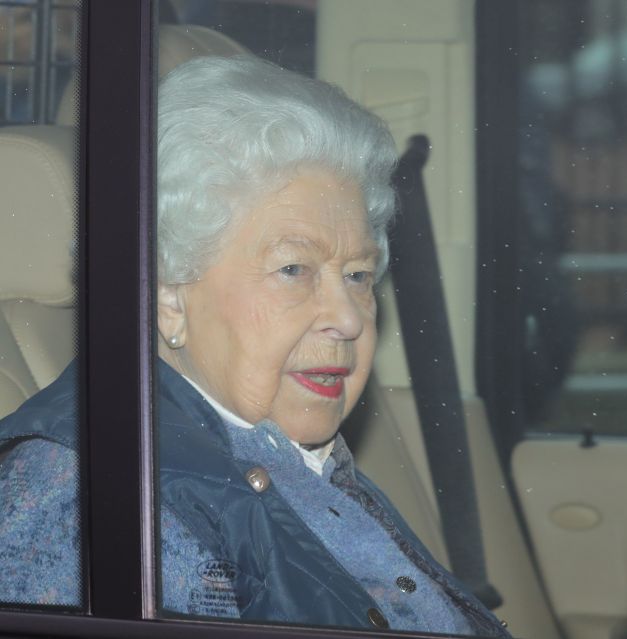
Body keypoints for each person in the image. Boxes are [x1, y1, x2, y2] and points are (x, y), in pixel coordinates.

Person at [0, 55, 510, 637]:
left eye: (359, 275)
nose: (348, 318)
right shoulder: (98, 501)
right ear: (167, 295)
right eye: (294, 268)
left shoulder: (293, 460)